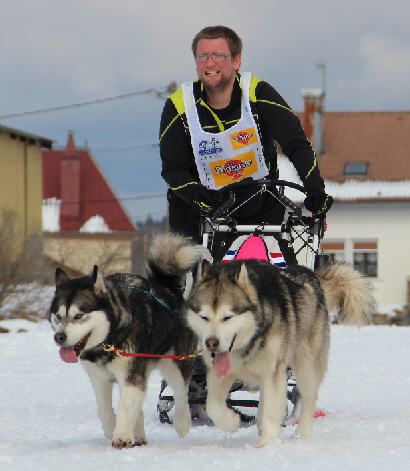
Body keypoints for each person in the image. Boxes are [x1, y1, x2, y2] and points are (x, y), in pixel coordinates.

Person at [159, 25, 333, 262]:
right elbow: (173, 169)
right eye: (203, 56)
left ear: (236, 61)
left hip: (259, 205)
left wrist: (315, 191)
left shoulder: (259, 94)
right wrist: (197, 195)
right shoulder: (179, 106)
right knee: (187, 283)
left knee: (275, 279)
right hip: (201, 210)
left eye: (219, 56)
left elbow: (297, 144)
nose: (210, 63)